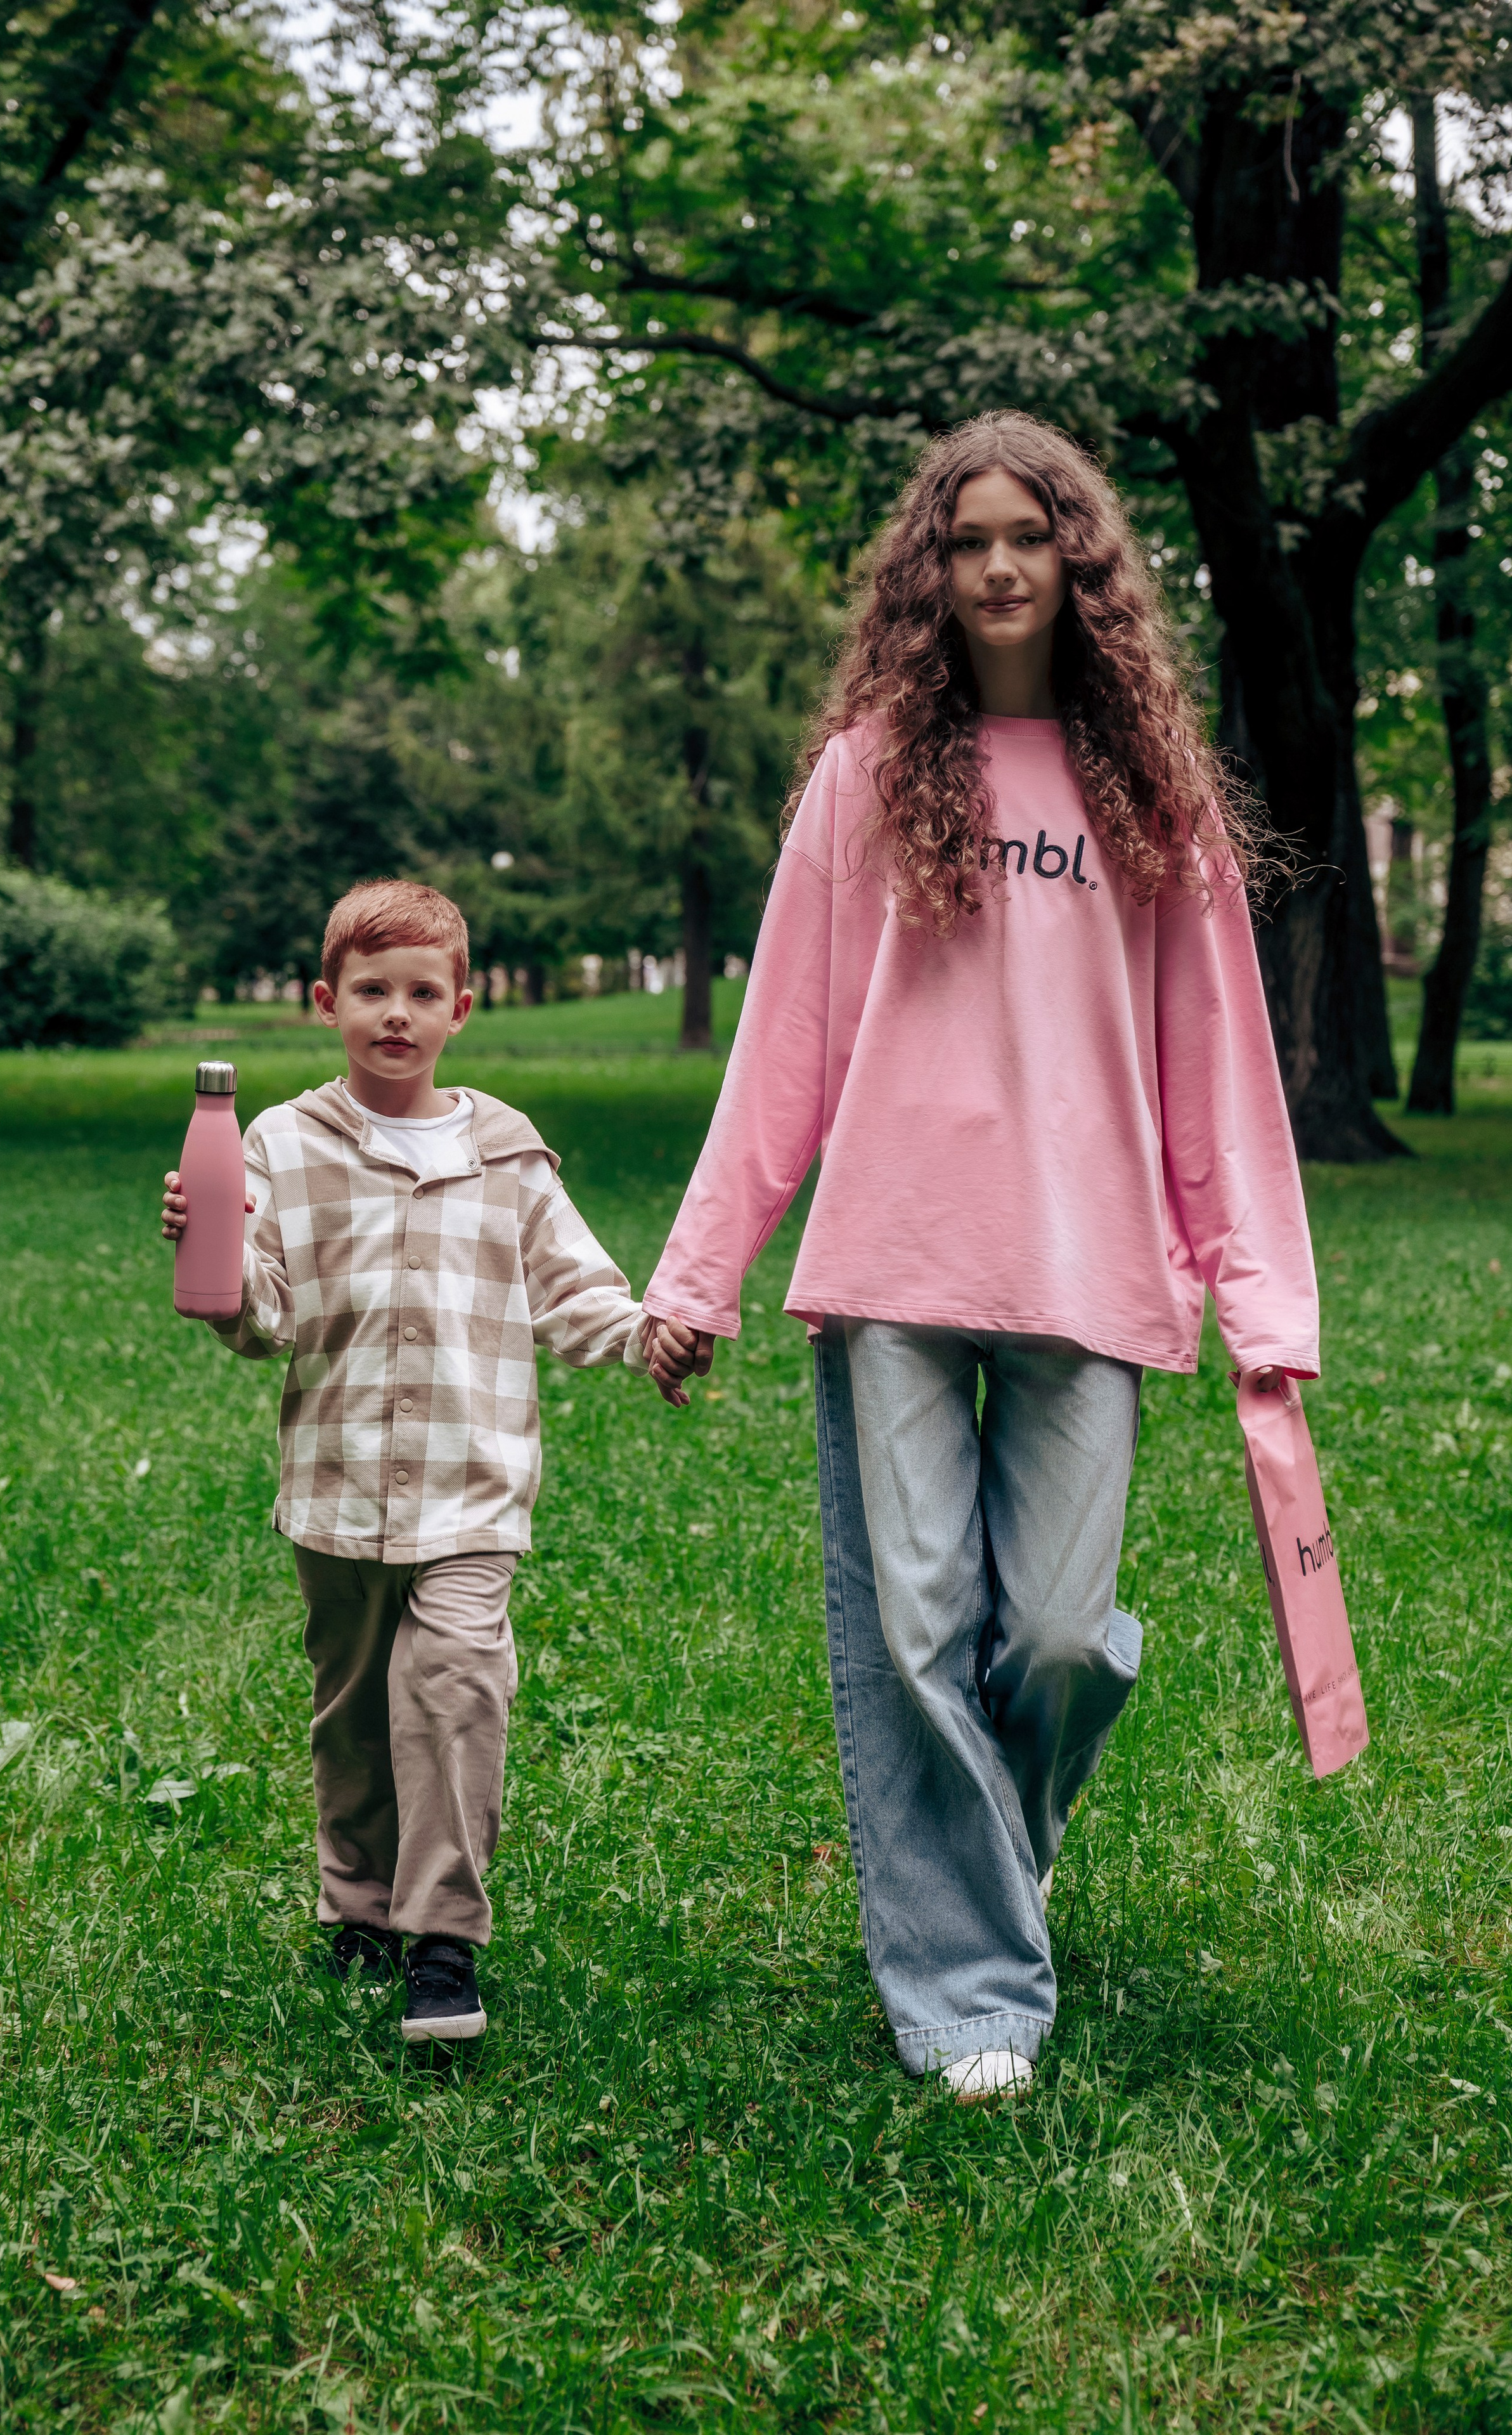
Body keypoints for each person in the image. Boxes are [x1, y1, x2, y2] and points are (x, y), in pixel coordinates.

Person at [642, 410, 1319, 2103]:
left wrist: (1258, 1292)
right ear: (929, 573)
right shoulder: (870, 772)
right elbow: (784, 1041)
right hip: (894, 1260)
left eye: (1032, 537)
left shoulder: (1149, 791)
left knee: (1066, 1640)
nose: (1001, 566)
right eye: (968, 542)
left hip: (1093, 1265)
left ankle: (979, 1864)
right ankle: (973, 1998)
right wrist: (698, 1270)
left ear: (1080, 565)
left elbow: (1217, 1060)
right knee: (918, 1628)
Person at [161, 880, 683, 2043]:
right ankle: (357, 1905)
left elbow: (576, 1289)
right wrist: (216, 1262)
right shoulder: (279, 1145)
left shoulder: (505, 1153)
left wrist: (648, 1334)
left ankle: (443, 1940)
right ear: (324, 1003)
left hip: (470, 1487)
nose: (396, 1013)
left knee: (454, 1695)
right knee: (351, 1712)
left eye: (422, 993)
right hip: (335, 1488)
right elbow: (264, 1317)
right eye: (371, 991)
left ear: (460, 1010)